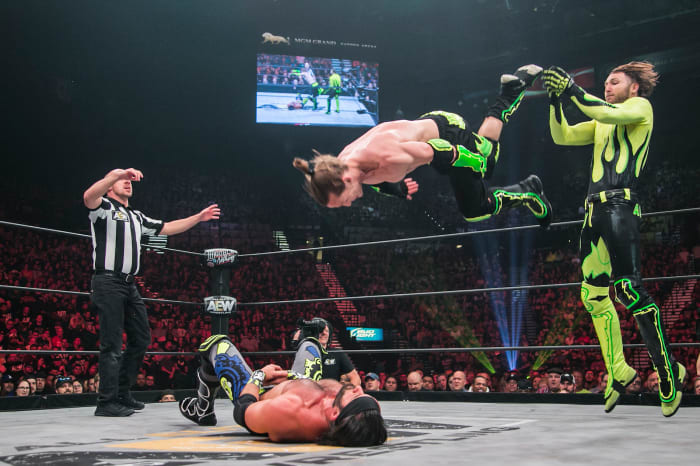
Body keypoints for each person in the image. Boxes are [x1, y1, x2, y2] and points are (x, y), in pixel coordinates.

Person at [543, 62, 686, 417]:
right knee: (592, 295)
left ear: (634, 87)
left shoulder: (640, 108)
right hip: (593, 212)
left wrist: (572, 88)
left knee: (627, 288)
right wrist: (555, 99)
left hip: (620, 204)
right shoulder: (602, 120)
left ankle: (670, 369)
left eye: (614, 81)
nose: (607, 86)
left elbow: (600, 108)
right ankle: (618, 369)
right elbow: (562, 137)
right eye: (605, 82)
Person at [293, 64, 552, 228]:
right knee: (483, 157)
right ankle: (510, 90)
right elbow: (376, 180)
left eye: (342, 202)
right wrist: (397, 188)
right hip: (426, 128)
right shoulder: (343, 163)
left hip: (447, 133)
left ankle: (530, 190)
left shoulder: (387, 158)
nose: (348, 205)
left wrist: (475, 161)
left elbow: (438, 150)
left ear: (346, 180)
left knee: (485, 171)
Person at [83, 167, 220, 417]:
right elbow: (88, 196)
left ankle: (122, 394)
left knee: (141, 338)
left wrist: (198, 218)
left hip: (129, 284)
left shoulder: (136, 216)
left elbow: (167, 227)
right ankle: (106, 402)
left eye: (129, 181)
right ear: (110, 184)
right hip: (107, 281)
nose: (127, 183)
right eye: (121, 180)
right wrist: (118, 173)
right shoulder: (103, 209)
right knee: (112, 344)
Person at [179, 334, 386, 446]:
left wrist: (260, 376)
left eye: (356, 397)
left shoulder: (291, 411)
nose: (359, 391)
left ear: (334, 413)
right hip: (298, 383)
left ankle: (203, 408)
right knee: (311, 342)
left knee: (217, 345)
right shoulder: (360, 410)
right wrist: (293, 378)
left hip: (258, 392)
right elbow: (365, 402)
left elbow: (243, 411)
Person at [290, 317, 361, 386]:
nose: (324, 333)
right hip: (309, 394)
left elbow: (355, 378)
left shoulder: (337, 353)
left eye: (327, 331)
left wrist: (345, 395)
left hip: (331, 396)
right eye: (320, 330)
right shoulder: (304, 352)